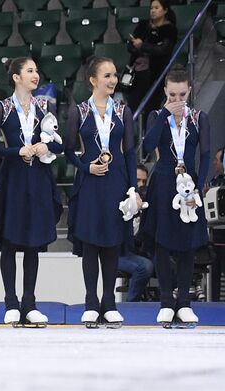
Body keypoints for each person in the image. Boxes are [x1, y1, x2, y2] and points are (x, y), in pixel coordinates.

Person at [0, 57, 61, 327]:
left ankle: (29, 303)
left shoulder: (44, 107)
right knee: (10, 242)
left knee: (32, 243)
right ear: (16, 77)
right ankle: (11, 303)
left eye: (36, 71)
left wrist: (47, 148)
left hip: (38, 178)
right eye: (29, 71)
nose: (35, 75)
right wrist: (15, 150)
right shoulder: (2, 108)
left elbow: (60, 143)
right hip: (13, 177)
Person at [66, 55, 136, 328]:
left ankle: (110, 303)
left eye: (115, 75)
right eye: (107, 76)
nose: (113, 80)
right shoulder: (79, 112)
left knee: (111, 244)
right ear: (93, 80)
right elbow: (69, 150)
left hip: (116, 181)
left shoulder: (123, 111)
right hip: (90, 183)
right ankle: (91, 302)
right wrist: (86, 168)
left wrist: (133, 188)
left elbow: (129, 152)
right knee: (92, 244)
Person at [139, 68, 211, 327]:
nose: (177, 99)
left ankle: (185, 303)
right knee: (162, 243)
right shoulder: (157, 115)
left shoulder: (199, 118)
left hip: (189, 182)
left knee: (188, 244)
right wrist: (166, 115)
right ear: (165, 92)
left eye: (182, 94)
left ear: (189, 91)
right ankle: (166, 301)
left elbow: (205, 154)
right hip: (163, 182)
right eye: (172, 94)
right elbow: (147, 148)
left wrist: (199, 189)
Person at [125, 0, 178, 113]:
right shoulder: (143, 25)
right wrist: (136, 46)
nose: (153, 11)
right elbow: (130, 46)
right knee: (132, 107)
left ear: (165, 10)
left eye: (156, 8)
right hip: (137, 72)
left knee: (151, 109)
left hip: (156, 73)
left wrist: (142, 46)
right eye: (151, 8)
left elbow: (164, 49)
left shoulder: (169, 29)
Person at [120, 164, 156, 302]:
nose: (141, 185)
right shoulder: (121, 202)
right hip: (119, 253)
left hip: (142, 252)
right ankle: (131, 305)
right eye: (137, 180)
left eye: (144, 182)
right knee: (144, 266)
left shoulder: (149, 204)